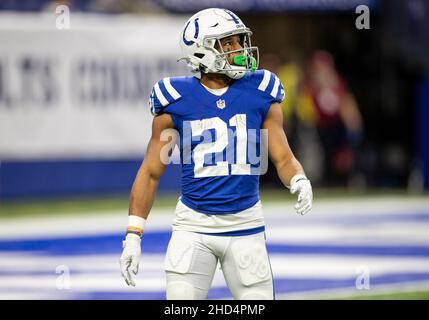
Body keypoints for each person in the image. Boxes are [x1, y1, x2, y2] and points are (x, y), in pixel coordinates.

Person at [119, 8, 313, 300]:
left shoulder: (261, 89)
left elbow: (283, 156)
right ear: (202, 50)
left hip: (246, 224)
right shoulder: (175, 98)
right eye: (230, 43)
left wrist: (298, 178)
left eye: (240, 41)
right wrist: (133, 235)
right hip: (193, 227)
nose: (240, 50)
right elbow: (150, 172)